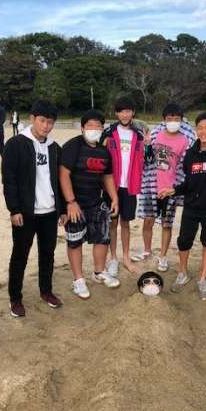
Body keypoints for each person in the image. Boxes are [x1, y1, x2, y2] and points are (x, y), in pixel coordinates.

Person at [159, 112, 206, 299]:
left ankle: (202, 278)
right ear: (195, 130)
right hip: (192, 206)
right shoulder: (191, 154)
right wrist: (173, 190)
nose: (203, 131)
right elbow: (189, 183)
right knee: (184, 241)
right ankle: (182, 273)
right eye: (200, 128)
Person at [2, 101, 64, 318]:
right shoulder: (16, 144)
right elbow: (9, 180)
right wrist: (14, 209)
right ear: (32, 119)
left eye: (50, 122)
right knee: (20, 255)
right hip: (26, 213)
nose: (46, 126)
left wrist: (62, 209)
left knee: (48, 254)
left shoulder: (55, 148)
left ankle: (46, 291)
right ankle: (15, 298)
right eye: (42, 121)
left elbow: (60, 181)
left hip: (50, 211)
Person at [60, 109, 120, 300]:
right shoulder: (73, 146)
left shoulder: (104, 151)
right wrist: (70, 202)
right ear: (82, 127)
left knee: (103, 237)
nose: (94, 129)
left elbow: (107, 176)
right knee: (75, 241)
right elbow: (63, 174)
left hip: (96, 201)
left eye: (98, 126)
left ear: (103, 129)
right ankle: (78, 280)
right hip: (75, 203)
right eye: (90, 125)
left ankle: (99, 271)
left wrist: (114, 198)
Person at [137, 103, 190, 272]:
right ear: (164, 120)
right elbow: (148, 160)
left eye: (176, 118)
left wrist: (178, 187)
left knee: (167, 223)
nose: (173, 121)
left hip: (170, 188)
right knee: (148, 220)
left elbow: (184, 166)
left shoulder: (185, 140)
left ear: (181, 120)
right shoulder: (156, 134)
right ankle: (147, 250)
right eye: (169, 118)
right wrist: (147, 145)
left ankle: (163, 256)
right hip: (152, 185)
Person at [101, 97, 144, 276]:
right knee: (112, 222)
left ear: (133, 112)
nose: (125, 115)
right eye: (121, 111)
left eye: (128, 111)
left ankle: (126, 257)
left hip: (130, 185)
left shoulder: (138, 135)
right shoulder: (109, 133)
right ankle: (113, 258)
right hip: (112, 185)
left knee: (126, 222)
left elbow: (145, 159)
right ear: (116, 113)